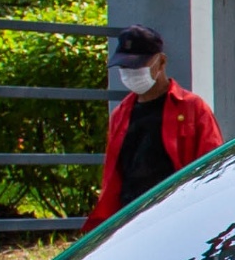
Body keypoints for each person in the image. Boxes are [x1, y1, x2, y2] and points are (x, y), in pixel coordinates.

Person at [91, 26, 225, 223]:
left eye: (137, 66)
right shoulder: (120, 114)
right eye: (125, 67)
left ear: (161, 61)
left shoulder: (192, 108)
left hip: (177, 216)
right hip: (130, 219)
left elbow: (213, 168)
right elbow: (114, 177)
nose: (131, 73)